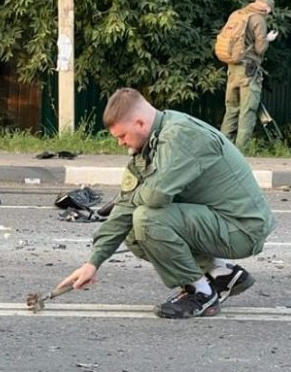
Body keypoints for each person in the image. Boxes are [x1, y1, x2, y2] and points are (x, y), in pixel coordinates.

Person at [57, 88, 275, 319]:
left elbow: (154, 197)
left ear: (140, 123)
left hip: (242, 228)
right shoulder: (149, 145)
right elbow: (124, 206)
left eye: (122, 136)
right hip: (217, 221)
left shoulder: (181, 136)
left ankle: (200, 293)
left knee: (147, 218)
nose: (120, 143)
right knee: (132, 226)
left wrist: (132, 200)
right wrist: (93, 262)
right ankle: (220, 274)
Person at [219, 0, 279, 150]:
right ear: (266, 8)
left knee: (231, 110)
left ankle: (224, 149)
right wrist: (267, 39)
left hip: (232, 68)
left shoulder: (237, 14)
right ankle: (240, 151)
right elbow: (260, 49)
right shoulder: (258, 19)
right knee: (248, 111)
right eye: (269, 11)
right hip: (249, 71)